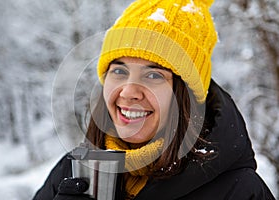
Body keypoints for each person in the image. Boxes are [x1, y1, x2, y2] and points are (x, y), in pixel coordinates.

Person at [33, 0, 276, 199]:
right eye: (119, 71)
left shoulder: (239, 191)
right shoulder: (73, 172)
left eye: (153, 75)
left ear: (186, 97)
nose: (129, 92)